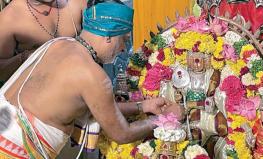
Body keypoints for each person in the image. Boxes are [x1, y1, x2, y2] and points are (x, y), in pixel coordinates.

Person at [0, 0, 184, 158]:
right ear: (109, 38)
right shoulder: (93, 76)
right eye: (124, 40)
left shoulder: (59, 44)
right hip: (13, 152)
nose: (123, 48)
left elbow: (100, 107)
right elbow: (122, 133)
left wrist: (143, 106)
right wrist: (167, 118)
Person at [0, 0, 87, 83]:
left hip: (81, 79)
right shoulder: (9, 18)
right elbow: (1, 72)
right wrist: (26, 57)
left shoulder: (76, 3)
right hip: (37, 90)